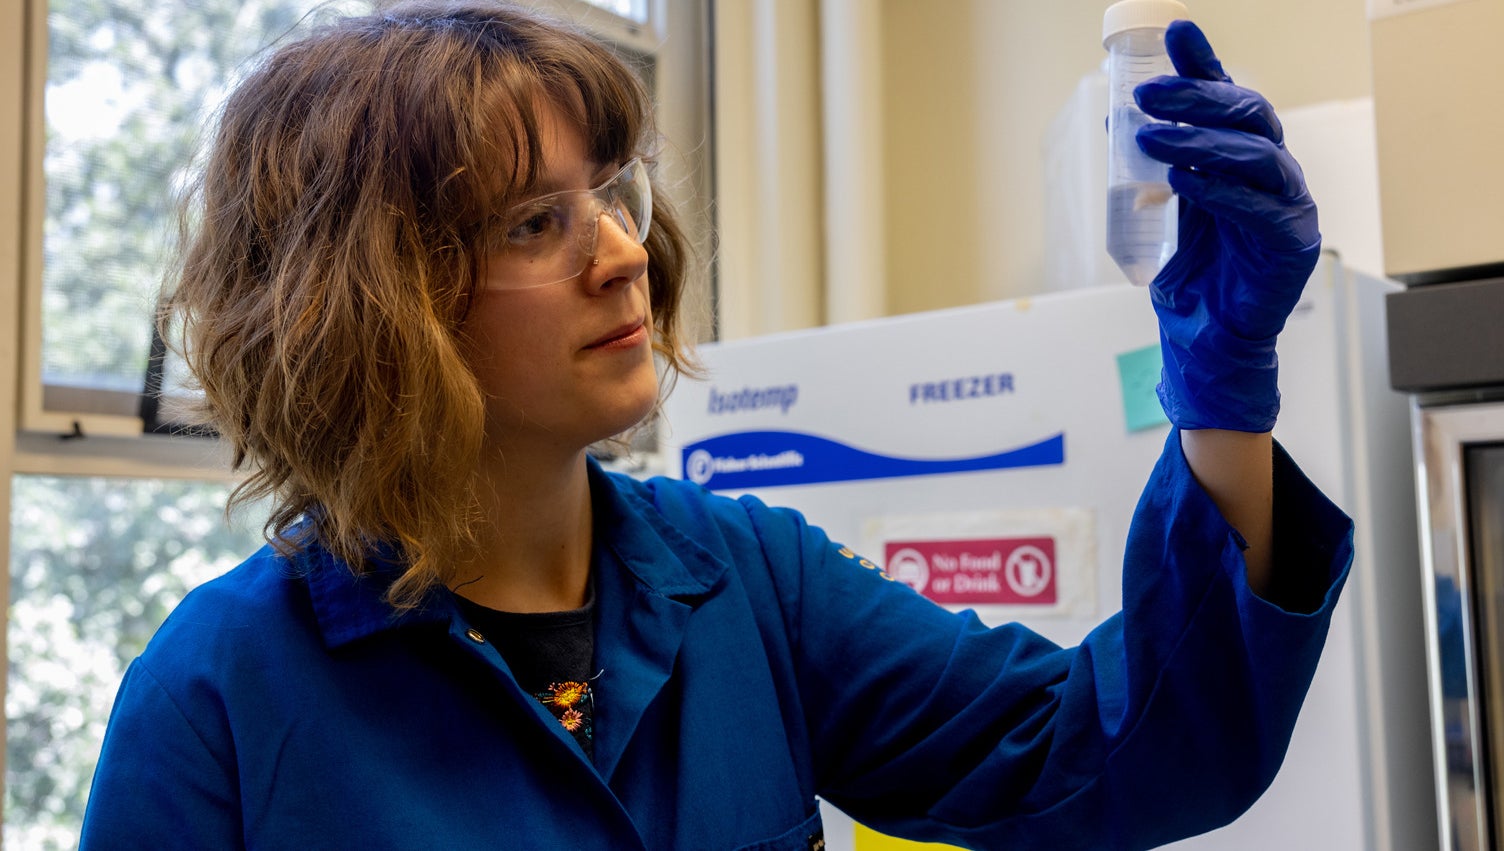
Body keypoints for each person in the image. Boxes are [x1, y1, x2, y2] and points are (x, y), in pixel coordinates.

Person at [79, 3, 1353, 849]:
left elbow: (1114, 753)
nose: (625, 253)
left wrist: (1219, 394)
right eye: (536, 224)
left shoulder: (748, 580)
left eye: (610, 197)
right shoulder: (216, 693)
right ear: (372, 302)